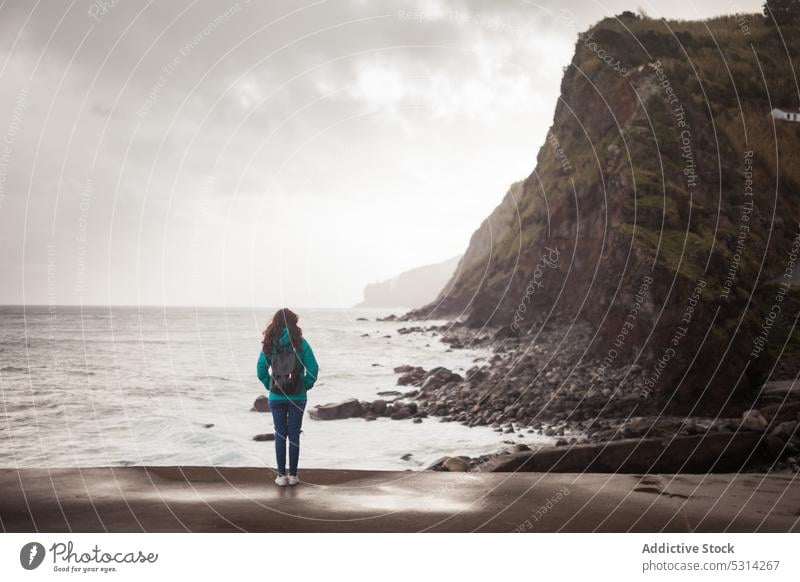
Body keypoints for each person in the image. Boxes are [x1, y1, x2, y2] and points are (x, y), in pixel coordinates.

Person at [257, 308, 319, 486]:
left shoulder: (270, 343)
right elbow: (313, 369)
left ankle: (281, 476)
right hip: (298, 396)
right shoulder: (301, 343)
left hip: (276, 397)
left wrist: (271, 384)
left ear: (274, 323)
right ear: (294, 324)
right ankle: (293, 476)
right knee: (294, 435)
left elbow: (260, 369)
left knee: (280, 435)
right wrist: (304, 385)